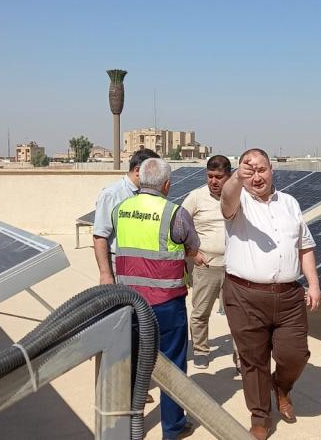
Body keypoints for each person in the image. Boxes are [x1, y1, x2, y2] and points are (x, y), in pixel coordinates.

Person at [220, 148, 321, 440]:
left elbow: (304, 246)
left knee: (295, 355)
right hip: (244, 296)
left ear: (272, 170)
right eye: (249, 170)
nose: (256, 176)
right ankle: (260, 417)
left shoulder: (290, 203)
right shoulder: (238, 200)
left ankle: (282, 386)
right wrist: (236, 178)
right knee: (254, 361)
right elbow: (226, 199)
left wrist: (314, 284)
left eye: (261, 169)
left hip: (289, 297)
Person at [112, 158, 201, 440]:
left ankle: (127, 426)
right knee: (172, 365)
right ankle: (172, 428)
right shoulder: (175, 213)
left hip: (129, 302)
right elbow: (192, 246)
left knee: (130, 362)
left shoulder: (121, 210)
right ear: (167, 185)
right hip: (167, 304)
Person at [180, 155, 233, 369]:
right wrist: (191, 253)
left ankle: (241, 357)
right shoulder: (196, 197)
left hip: (235, 268)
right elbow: (178, 226)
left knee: (239, 316)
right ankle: (201, 350)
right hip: (206, 267)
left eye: (219, 177)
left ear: (229, 176)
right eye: (210, 176)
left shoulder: (240, 196)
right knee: (201, 312)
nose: (213, 181)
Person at [92, 148, 160, 285]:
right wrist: (105, 274)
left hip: (141, 264)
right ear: (138, 170)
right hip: (118, 264)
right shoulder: (112, 194)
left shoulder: (147, 194)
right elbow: (100, 236)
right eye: (152, 174)